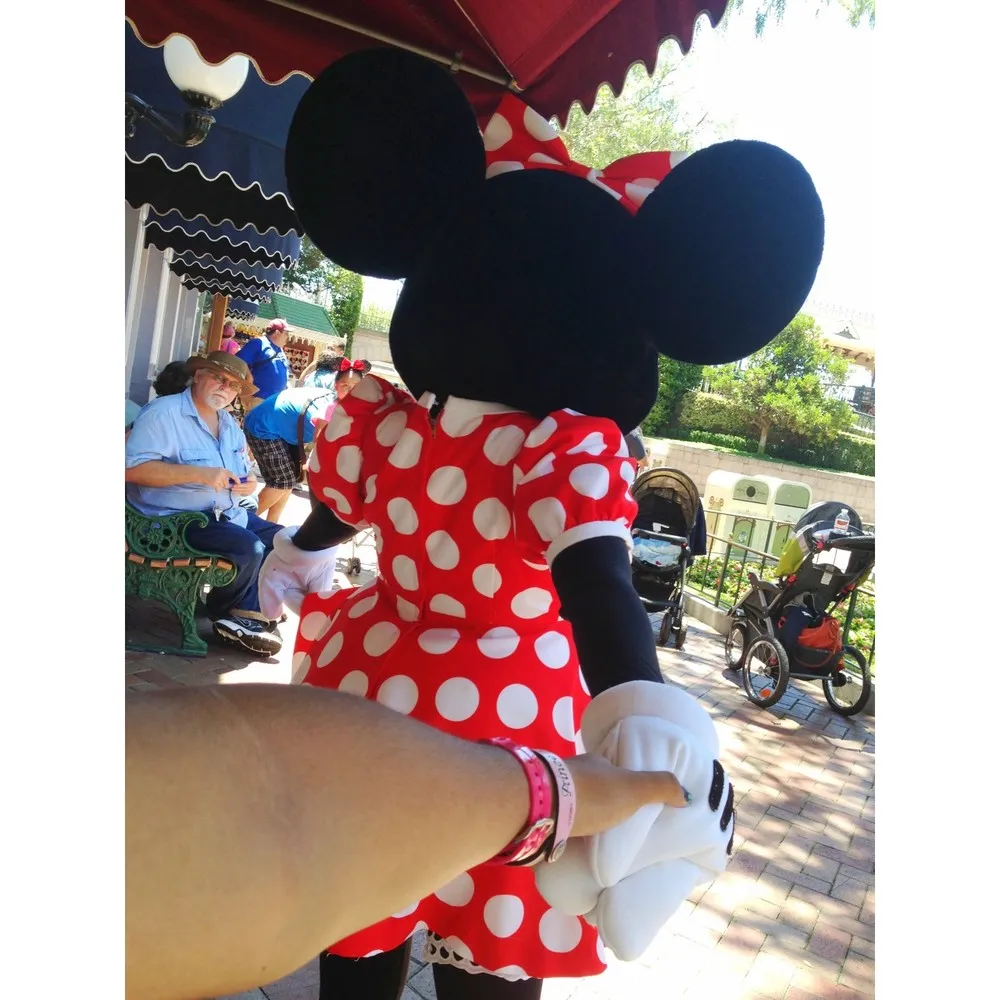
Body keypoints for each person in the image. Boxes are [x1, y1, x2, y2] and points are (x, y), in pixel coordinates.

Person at [261, 48, 823, 1000]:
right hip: (513, 731)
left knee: (357, 926)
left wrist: (291, 556)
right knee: (499, 935)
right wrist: (643, 706)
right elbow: (596, 585)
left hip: (380, 697)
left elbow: (335, 513)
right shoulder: (562, 452)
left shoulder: (391, 426)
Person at [126, 683, 692, 1000]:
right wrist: (663, 732)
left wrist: (300, 548)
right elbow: (594, 570)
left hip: (381, 680)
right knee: (495, 941)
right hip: (526, 698)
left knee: (353, 924)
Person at [124, 351, 283, 655]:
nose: (226, 388)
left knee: (284, 542)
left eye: (233, 385)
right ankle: (229, 613)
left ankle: (247, 610)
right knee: (248, 547)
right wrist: (200, 474)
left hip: (224, 513)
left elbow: (240, 470)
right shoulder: (164, 413)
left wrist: (248, 482)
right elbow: (131, 470)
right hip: (172, 520)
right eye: (219, 378)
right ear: (198, 376)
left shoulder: (229, 424)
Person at [242, 384, 342, 523]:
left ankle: (271, 524)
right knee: (283, 481)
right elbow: (322, 446)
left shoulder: (339, 400)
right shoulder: (331, 411)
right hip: (264, 425)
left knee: (289, 480)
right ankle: (242, 522)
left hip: (283, 427)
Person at [236, 319, 292, 414]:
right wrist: (249, 379)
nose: (288, 337)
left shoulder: (280, 350)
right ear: (277, 333)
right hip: (259, 401)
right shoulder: (258, 343)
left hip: (276, 404)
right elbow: (238, 361)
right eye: (286, 334)